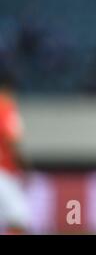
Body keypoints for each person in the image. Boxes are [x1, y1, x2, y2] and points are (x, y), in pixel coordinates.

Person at [0, 71, 28, 234]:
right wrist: (24, 166)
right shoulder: (6, 108)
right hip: (4, 171)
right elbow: (12, 141)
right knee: (19, 218)